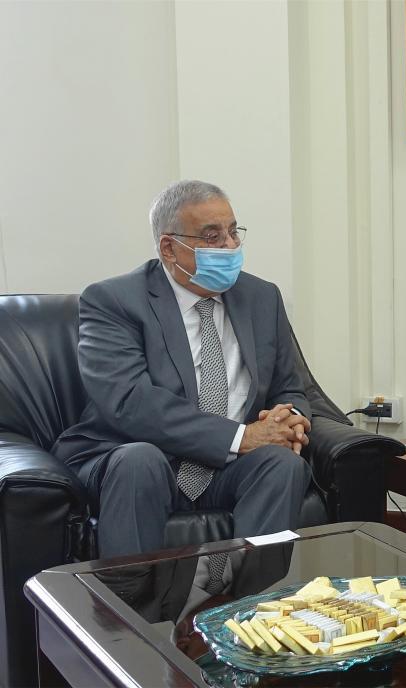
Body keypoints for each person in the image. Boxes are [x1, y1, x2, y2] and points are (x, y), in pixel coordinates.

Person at [53, 181, 313, 577]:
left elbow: (289, 385)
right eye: (212, 236)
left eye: (233, 231)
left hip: (226, 467)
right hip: (135, 456)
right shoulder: (114, 301)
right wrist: (242, 437)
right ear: (168, 248)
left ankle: (253, 604)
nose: (230, 245)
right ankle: (128, 607)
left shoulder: (262, 298)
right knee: (139, 460)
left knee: (281, 464)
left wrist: (288, 420)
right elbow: (129, 402)